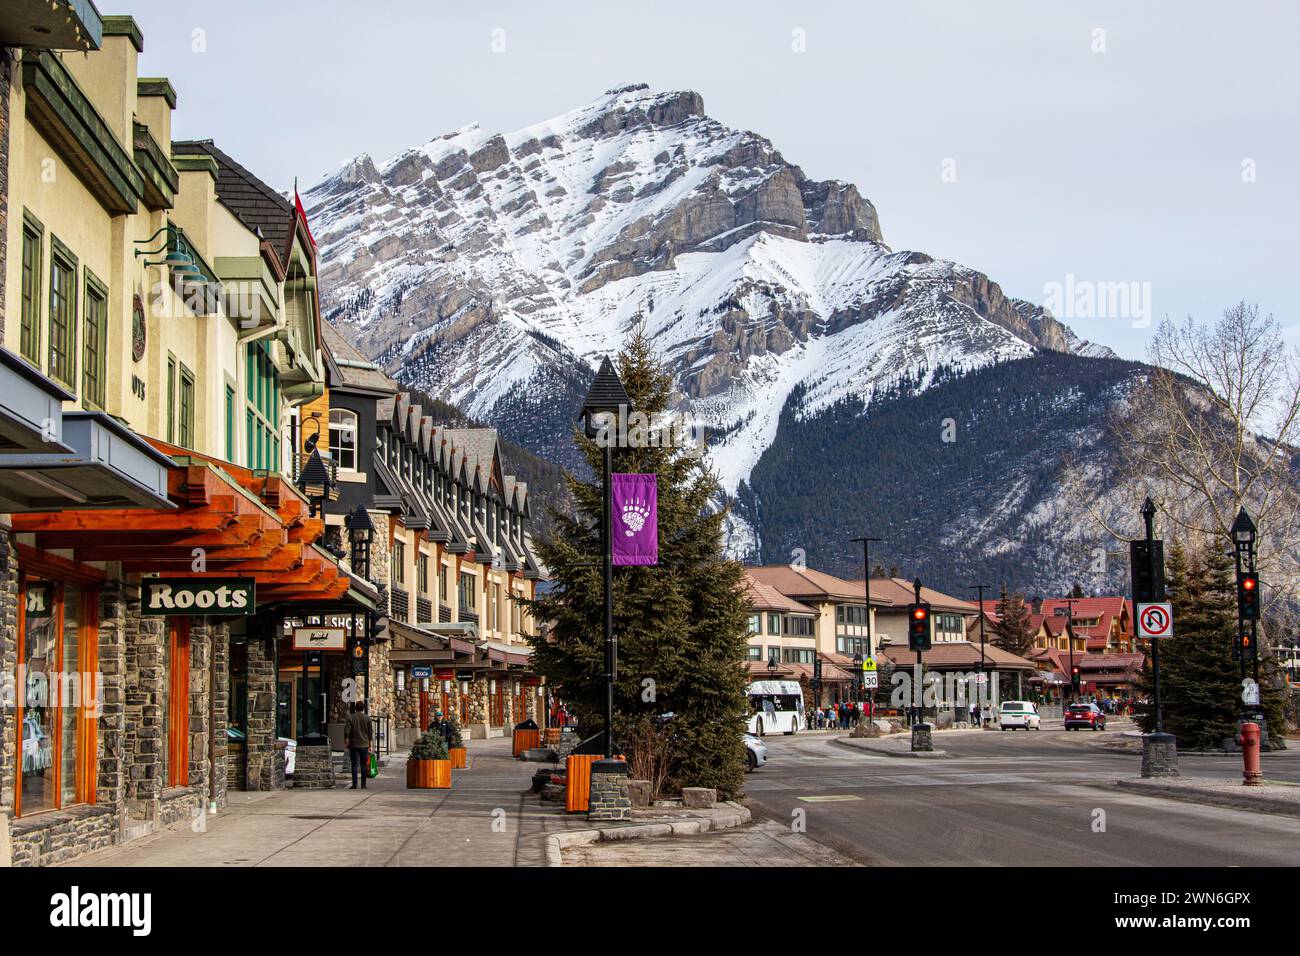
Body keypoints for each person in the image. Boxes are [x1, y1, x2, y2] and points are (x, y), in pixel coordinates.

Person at [345, 700, 373, 790]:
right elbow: (370, 732)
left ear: (356, 708)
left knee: (354, 765)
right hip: (364, 744)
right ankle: (363, 785)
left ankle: (354, 784)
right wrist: (370, 744)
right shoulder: (367, 718)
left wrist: (347, 741)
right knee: (363, 765)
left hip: (354, 744)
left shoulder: (351, 718)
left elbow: (347, 731)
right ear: (363, 708)